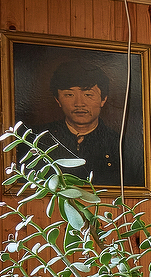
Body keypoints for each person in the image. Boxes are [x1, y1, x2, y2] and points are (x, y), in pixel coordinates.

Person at [34, 58, 143, 189]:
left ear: (103, 99)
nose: (79, 103)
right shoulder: (36, 139)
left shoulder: (122, 146)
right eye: (69, 95)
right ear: (58, 100)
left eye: (88, 94)